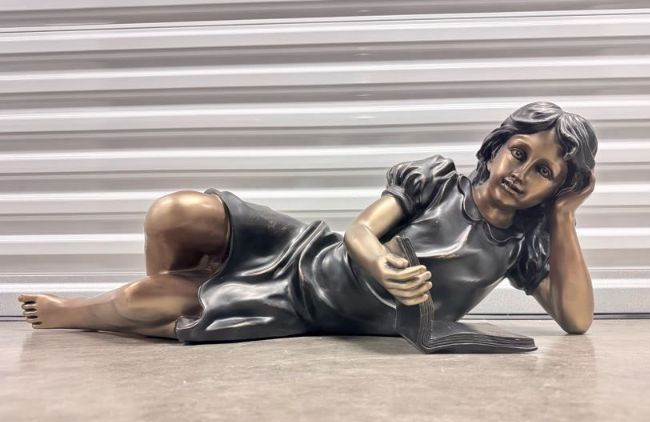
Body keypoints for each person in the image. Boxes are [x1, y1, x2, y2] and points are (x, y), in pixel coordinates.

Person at [17, 101, 597, 343]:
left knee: (141, 300)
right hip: (305, 251)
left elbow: (575, 320)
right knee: (173, 212)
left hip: (304, 307)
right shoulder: (437, 180)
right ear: (498, 146)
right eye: (519, 152)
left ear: (556, 188)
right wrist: (384, 266)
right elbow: (360, 231)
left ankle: (82, 312)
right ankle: (194, 287)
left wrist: (565, 219)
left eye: (545, 172)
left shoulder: (521, 247)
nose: (522, 172)